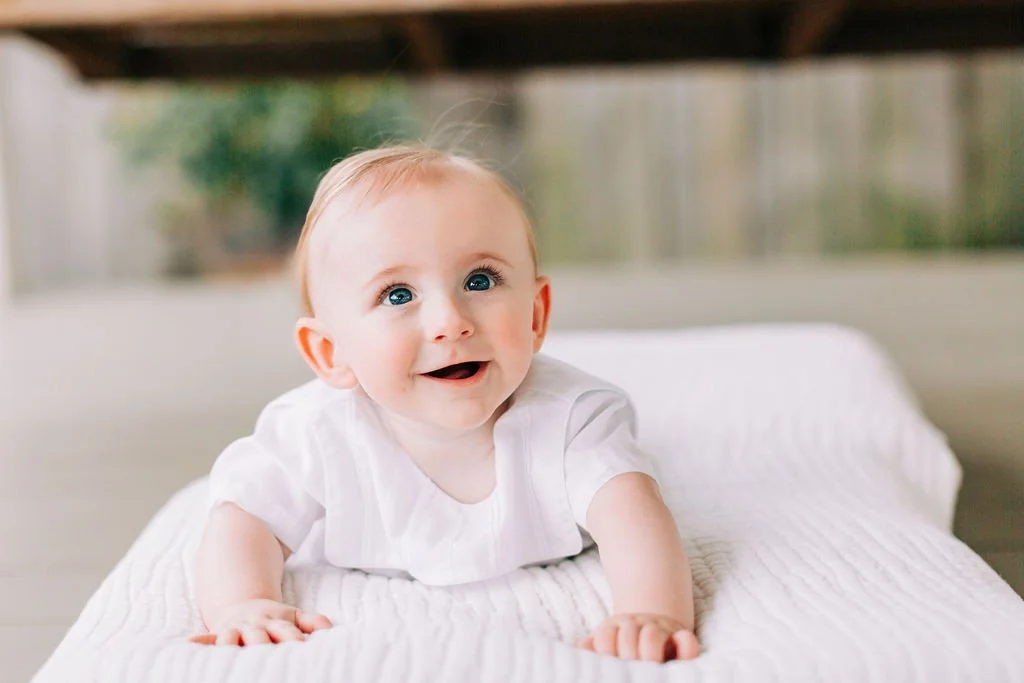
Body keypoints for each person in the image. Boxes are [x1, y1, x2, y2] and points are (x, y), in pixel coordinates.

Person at [190, 145, 699, 663]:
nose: (449, 321)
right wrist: (246, 602)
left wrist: (650, 609)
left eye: (480, 280)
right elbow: (243, 520)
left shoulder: (573, 420)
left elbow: (634, 518)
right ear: (330, 353)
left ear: (535, 315)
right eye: (397, 295)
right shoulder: (315, 433)